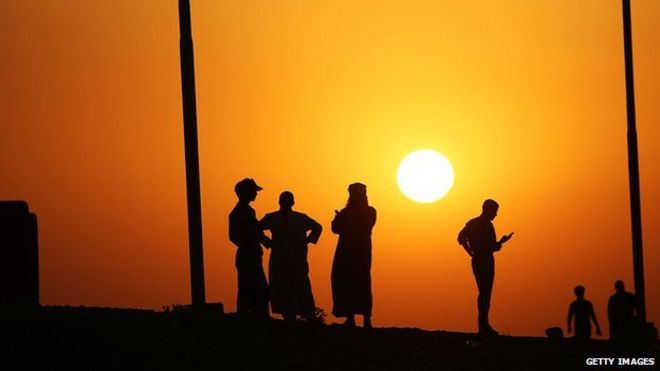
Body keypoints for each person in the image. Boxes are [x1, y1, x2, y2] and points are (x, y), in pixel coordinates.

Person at [260, 191, 322, 321]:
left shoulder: (300, 218)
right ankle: (289, 317)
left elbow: (317, 227)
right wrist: (267, 242)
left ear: (292, 203)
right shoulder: (272, 217)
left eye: (288, 201)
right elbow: (257, 229)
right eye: (284, 201)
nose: (286, 204)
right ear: (279, 202)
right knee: (281, 287)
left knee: (301, 287)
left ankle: (308, 316)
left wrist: (308, 240)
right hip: (279, 259)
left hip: (297, 260)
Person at [457, 199, 513, 335]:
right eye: (494, 211)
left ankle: (484, 324)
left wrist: (469, 251)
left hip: (478, 259)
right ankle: (483, 326)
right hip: (485, 260)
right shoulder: (486, 226)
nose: (495, 214)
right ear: (487, 210)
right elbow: (491, 246)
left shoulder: (472, 223)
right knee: (485, 293)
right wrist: (501, 242)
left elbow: (460, 238)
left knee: (484, 292)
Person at [331, 183, 377, 328]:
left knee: (361, 282)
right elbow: (335, 228)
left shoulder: (369, 212)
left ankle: (366, 319)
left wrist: (341, 220)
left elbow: (361, 227)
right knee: (346, 281)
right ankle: (351, 318)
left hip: (358, 252)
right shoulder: (347, 212)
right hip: (347, 252)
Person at [229, 178, 269, 318]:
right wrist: (250, 243)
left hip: (249, 253)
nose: (256, 194)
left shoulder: (245, 211)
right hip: (248, 255)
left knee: (253, 286)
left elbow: (255, 230)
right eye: (254, 191)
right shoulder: (242, 212)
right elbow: (235, 236)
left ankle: (252, 315)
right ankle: (254, 316)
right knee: (253, 287)